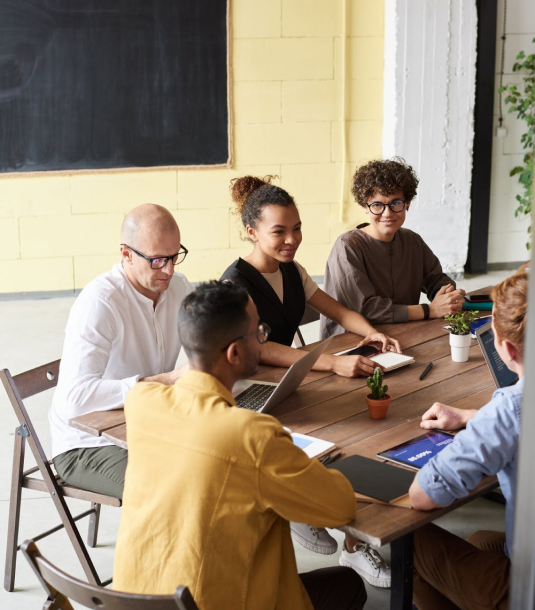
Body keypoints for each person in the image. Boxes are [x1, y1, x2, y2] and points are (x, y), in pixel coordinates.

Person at [113, 281, 367, 610]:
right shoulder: (252, 436)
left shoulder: (142, 403)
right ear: (234, 353)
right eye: (259, 332)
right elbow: (340, 507)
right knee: (349, 585)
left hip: (135, 601)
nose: (263, 338)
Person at [221, 175, 395, 588]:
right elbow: (258, 349)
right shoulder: (235, 283)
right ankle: (339, 532)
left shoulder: (293, 270)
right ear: (252, 232)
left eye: (296, 228)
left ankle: (313, 513)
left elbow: (335, 309)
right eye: (278, 231)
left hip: (288, 380)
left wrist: (368, 331)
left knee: (346, 430)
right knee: (332, 437)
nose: (291, 239)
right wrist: (330, 363)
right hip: (248, 391)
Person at [48, 204, 192, 499]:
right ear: (126, 254)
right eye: (156, 260)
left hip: (145, 425)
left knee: (223, 461)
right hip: (86, 445)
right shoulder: (100, 302)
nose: (169, 269)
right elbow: (74, 400)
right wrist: (168, 380)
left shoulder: (178, 288)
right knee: (170, 492)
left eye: (174, 256)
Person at [408, 272, 527, 610]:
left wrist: (484, 424)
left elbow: (422, 496)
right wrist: (468, 417)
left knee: (410, 541)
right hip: (519, 550)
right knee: (475, 542)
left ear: (505, 347)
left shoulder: (509, 410)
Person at [321, 158, 466, 338]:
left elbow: (435, 278)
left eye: (396, 203)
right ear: (364, 206)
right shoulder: (347, 247)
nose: (387, 213)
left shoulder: (412, 241)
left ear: (407, 203)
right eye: (377, 205)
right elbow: (368, 309)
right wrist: (429, 310)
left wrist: (446, 295)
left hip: (404, 332)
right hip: (353, 341)